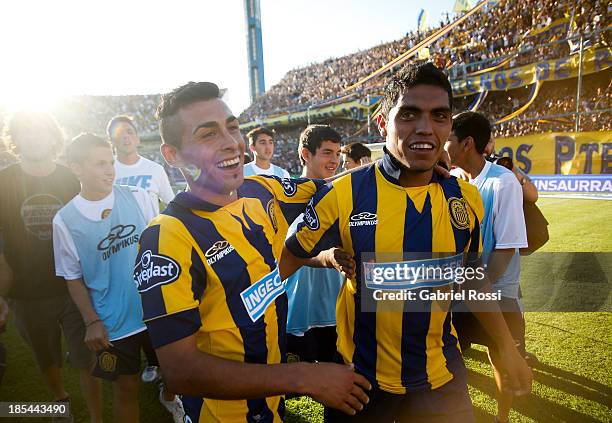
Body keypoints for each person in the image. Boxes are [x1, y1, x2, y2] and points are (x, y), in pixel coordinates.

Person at [282, 63, 533, 422]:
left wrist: (505, 346)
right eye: (409, 115)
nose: (425, 129)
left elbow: (472, 277)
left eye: (439, 116)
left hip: (442, 378)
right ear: (383, 123)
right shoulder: (343, 193)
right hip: (359, 383)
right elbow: (288, 257)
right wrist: (326, 257)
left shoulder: (465, 199)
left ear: (449, 125)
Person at [134, 82, 370, 422]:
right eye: (208, 134)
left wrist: (405, 165)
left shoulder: (261, 190)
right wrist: (303, 376)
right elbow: (180, 370)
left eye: (232, 127)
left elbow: (336, 186)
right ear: (173, 155)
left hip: (271, 407)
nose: (231, 142)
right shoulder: (166, 237)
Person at [52, 133, 184, 423]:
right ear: (76, 168)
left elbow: (161, 245)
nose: (110, 169)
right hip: (112, 322)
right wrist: (91, 320)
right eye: (100, 164)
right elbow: (72, 277)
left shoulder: (138, 196)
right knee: (126, 388)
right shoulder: (64, 219)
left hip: (156, 310)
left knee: (177, 375)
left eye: (110, 162)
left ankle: (169, 397)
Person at [0, 111, 102, 422]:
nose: (33, 136)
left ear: (52, 136)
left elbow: (92, 230)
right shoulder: (3, 181)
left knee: (88, 358)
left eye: (40, 130)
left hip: (74, 286)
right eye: (26, 131)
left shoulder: (72, 178)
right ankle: (61, 400)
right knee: (47, 359)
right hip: (27, 291)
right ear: (14, 139)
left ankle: (97, 419)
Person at [445, 111, 529, 423]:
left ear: (466, 143)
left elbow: (507, 248)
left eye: (449, 138)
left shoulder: (502, 182)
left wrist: (479, 290)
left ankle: (502, 418)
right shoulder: (452, 182)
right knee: (449, 356)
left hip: (496, 294)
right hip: (460, 293)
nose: (443, 143)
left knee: (502, 358)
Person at [285, 125, 344, 364]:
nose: (335, 160)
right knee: (293, 385)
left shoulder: (343, 193)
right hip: (299, 311)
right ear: (305, 154)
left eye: (339, 153)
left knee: (339, 386)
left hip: (336, 309)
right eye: (328, 152)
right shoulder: (285, 197)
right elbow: (283, 253)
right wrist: (323, 258)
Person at [107, 115, 175, 214]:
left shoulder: (155, 169)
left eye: (129, 132)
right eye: (119, 133)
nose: (125, 136)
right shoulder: (104, 171)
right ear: (111, 141)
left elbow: (171, 204)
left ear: (137, 139)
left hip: (150, 229)